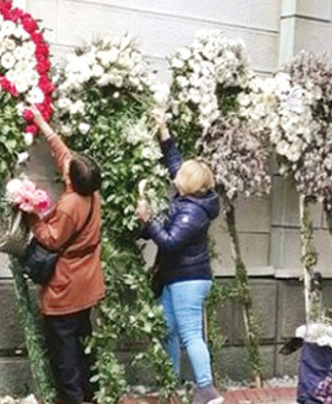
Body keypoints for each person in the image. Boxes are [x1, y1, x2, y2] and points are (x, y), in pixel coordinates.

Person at [136, 111, 223, 404]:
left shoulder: (192, 212)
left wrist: (148, 221)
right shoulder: (191, 197)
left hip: (189, 280)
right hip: (176, 278)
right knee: (168, 330)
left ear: (187, 184)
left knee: (189, 334)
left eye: (179, 176)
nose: (175, 176)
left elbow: (170, 243)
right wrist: (163, 129)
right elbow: (174, 160)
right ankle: (171, 384)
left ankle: (207, 390)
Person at [27, 108, 106, 404]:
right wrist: (42, 123)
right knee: (84, 341)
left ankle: (73, 398)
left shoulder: (71, 203)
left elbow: (50, 238)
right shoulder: (91, 193)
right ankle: (91, 395)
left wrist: (32, 214)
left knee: (64, 349)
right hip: (87, 282)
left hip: (66, 287)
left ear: (71, 181)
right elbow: (65, 156)